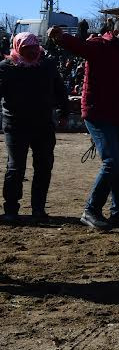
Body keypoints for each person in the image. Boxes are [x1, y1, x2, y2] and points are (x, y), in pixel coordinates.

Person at [48, 18, 119, 230]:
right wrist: (60, 37)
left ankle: (118, 213)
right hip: (97, 113)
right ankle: (91, 210)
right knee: (113, 161)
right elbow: (78, 46)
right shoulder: (100, 46)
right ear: (115, 31)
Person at [0, 33, 69, 223]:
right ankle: (11, 209)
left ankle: (38, 208)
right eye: (26, 48)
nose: (32, 51)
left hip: (43, 124)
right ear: (17, 48)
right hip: (15, 124)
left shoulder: (47, 66)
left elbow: (60, 90)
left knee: (44, 166)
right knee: (15, 167)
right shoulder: (6, 68)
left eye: (34, 47)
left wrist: (64, 113)